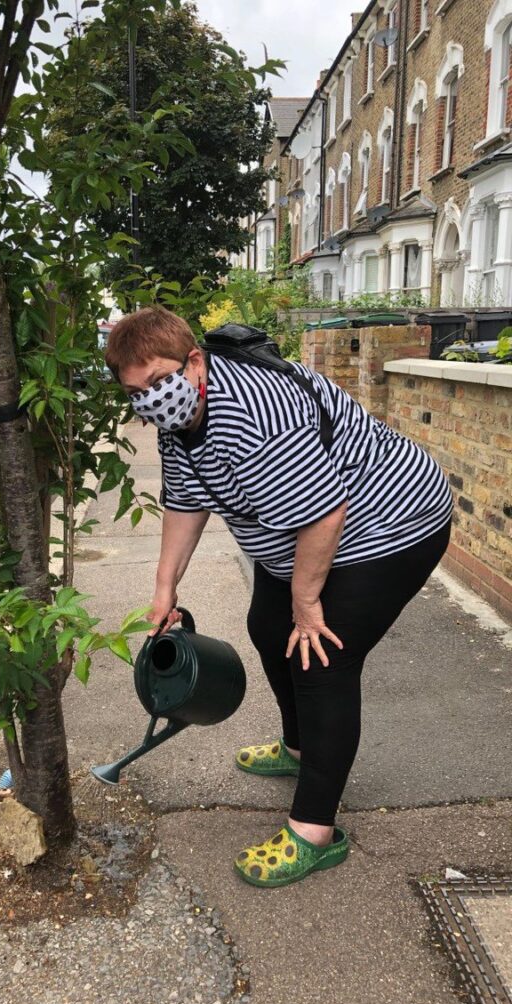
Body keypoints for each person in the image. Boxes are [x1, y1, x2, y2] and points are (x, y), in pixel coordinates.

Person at [105, 305, 453, 888]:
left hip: (391, 525)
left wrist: (309, 603)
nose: (151, 400)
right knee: (269, 626)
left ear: (195, 361)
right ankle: (299, 747)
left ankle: (315, 830)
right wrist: (165, 588)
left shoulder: (254, 414)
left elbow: (324, 515)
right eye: (136, 393)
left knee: (322, 655)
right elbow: (186, 500)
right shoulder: (182, 413)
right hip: (302, 533)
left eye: (159, 382)